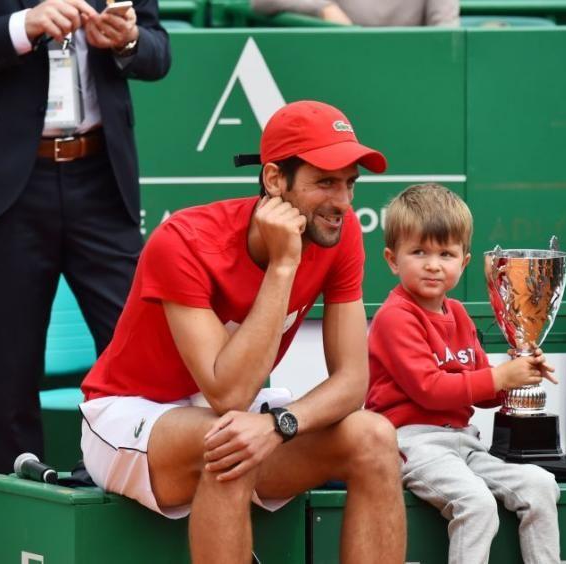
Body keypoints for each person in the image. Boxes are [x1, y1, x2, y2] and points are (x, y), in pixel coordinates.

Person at [79, 100, 407, 562]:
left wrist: (279, 424)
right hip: (129, 413)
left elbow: (352, 382)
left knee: (373, 437)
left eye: (350, 184)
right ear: (275, 180)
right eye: (326, 183)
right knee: (229, 440)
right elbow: (228, 394)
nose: (343, 203)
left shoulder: (341, 232)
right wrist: (283, 266)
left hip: (231, 415)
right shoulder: (182, 241)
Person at [0, 0, 170, 473]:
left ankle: (126, 493)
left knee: (138, 347)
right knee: (11, 371)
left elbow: (158, 50)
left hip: (100, 177)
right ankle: (22, 521)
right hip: (3, 184)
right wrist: (20, 27)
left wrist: (127, 40)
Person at [365, 183, 561, 564]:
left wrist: (518, 375)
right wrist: (500, 377)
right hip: (411, 445)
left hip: (464, 445)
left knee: (542, 485)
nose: (433, 264)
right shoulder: (395, 316)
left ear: (465, 262)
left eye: (446, 253)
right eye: (418, 252)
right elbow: (431, 391)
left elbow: (479, 391)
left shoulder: (457, 313)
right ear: (392, 259)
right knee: (477, 505)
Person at [250, 0, 458, 26]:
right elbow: (262, 2)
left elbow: (446, 31)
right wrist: (323, 8)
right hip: (338, 69)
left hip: (411, 70)